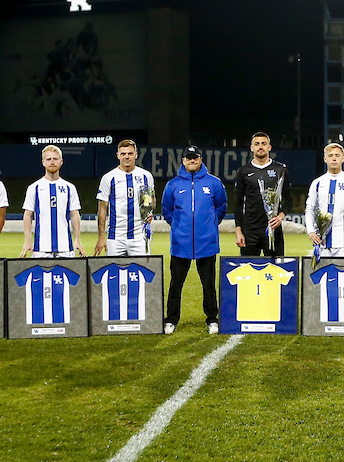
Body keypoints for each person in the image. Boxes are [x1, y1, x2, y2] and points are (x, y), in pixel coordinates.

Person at [161, 146, 227, 334]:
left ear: (200, 160)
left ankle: (212, 319)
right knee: (176, 284)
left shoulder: (214, 183)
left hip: (206, 243)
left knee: (208, 285)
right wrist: (179, 227)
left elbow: (221, 207)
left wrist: (210, 225)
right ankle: (171, 319)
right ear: (183, 161)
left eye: (195, 158)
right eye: (188, 158)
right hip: (180, 244)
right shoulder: (173, 184)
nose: (192, 161)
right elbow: (167, 210)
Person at [19, 144, 85, 258]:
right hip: (40, 249)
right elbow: (28, 215)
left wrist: (77, 240)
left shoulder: (69, 187)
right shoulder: (34, 188)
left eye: (55, 159)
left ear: (61, 161)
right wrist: (28, 241)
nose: (52, 162)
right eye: (48, 159)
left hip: (66, 248)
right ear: (43, 162)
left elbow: (74, 215)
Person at [233, 132, 292, 256]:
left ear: (269, 147)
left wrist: (280, 216)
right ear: (252, 148)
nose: (260, 147)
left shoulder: (280, 170)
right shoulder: (243, 171)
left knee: (275, 271)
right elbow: (238, 203)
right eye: (257, 144)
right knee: (248, 271)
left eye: (264, 144)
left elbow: (289, 199)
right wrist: (238, 231)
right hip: (250, 230)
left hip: (273, 229)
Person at [95, 139, 155, 256]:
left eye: (130, 153)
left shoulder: (146, 176)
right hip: (115, 237)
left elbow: (151, 200)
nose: (126, 157)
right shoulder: (109, 178)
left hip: (139, 236)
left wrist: (149, 211)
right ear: (118, 156)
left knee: (141, 272)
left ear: (136, 155)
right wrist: (101, 237)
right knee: (114, 272)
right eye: (123, 154)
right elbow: (102, 209)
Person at [306, 142, 344, 259]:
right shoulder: (317, 183)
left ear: (343, 159)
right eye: (330, 155)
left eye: (337, 155)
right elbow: (309, 209)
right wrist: (311, 231)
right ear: (325, 159)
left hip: (343, 246)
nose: (334, 158)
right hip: (320, 244)